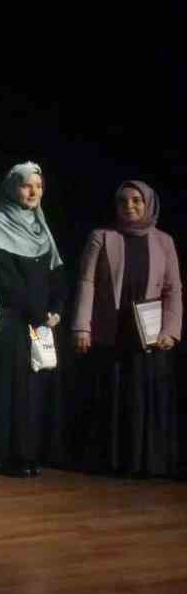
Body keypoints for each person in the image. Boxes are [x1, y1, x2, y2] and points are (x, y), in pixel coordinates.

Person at [71, 181, 180, 477]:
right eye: (123, 201)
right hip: (112, 327)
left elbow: (173, 289)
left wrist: (170, 330)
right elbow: (86, 282)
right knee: (115, 392)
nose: (129, 206)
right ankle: (113, 460)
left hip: (149, 332)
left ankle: (146, 462)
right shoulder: (102, 236)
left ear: (148, 204)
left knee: (144, 394)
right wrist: (82, 327)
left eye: (136, 201)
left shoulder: (164, 241)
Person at [0, 163, 66, 478]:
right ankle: (9, 456)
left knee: (35, 391)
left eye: (39, 186)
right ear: (11, 188)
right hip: (14, 322)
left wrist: (56, 309)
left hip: (41, 324)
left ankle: (32, 453)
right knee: (14, 390)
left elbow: (57, 274)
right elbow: (4, 279)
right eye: (26, 185)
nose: (33, 192)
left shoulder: (41, 227)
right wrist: (37, 313)